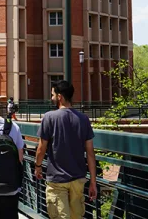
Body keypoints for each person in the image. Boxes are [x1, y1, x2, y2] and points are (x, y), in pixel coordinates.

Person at [34, 80, 97, 219]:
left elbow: (41, 148)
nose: (51, 98)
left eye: (52, 95)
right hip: (78, 179)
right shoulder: (83, 119)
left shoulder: (49, 117)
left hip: (57, 180)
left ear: (60, 97)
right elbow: (90, 153)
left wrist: (38, 166)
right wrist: (93, 182)